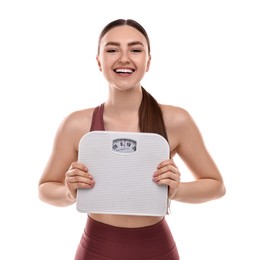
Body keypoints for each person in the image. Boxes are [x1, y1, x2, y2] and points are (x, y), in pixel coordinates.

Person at [38, 18, 226, 260]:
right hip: (96, 249)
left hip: (157, 249)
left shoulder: (176, 120)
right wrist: (69, 192)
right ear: (99, 61)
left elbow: (216, 186)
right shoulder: (76, 124)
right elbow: (45, 188)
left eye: (135, 50)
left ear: (148, 62)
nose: (124, 58)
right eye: (112, 49)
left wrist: (176, 191)